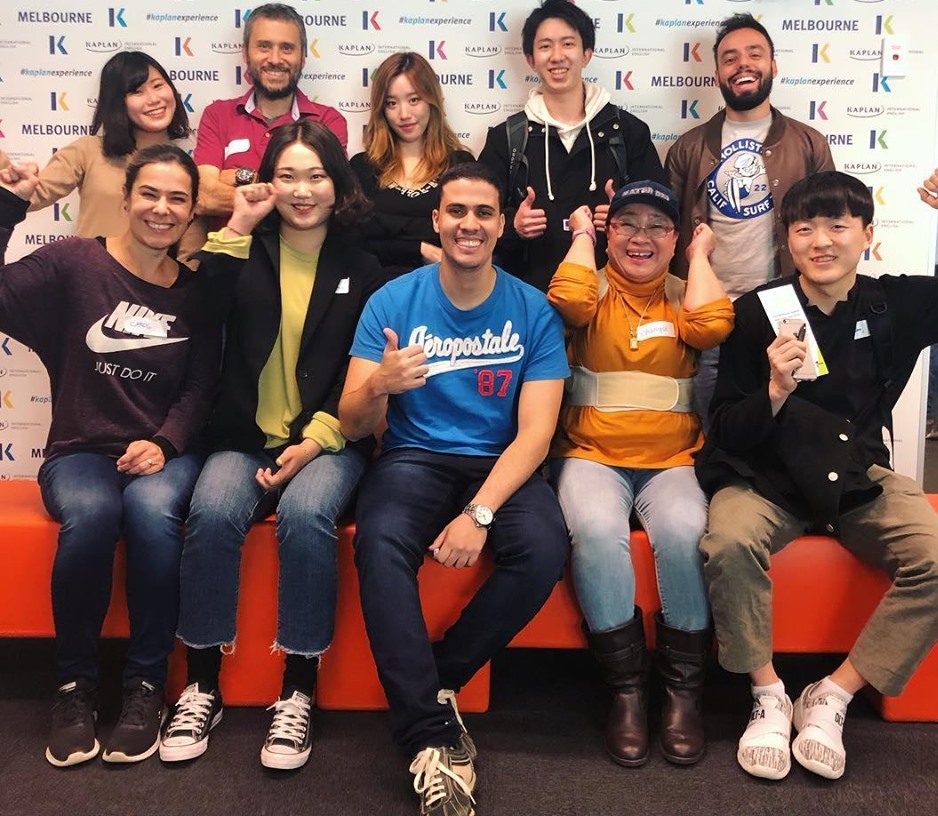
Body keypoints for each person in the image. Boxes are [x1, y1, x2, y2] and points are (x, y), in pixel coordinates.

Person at [697, 169, 938, 782]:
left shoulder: (893, 304)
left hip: (858, 477)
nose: (821, 241)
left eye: (838, 225)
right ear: (787, 240)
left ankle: (832, 695)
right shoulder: (757, 311)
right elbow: (727, 429)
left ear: (867, 233)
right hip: (768, 479)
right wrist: (773, 390)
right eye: (804, 228)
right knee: (728, 541)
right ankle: (768, 694)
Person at [339, 162, 570, 815]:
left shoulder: (532, 310)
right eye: (458, 212)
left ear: (501, 225)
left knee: (544, 548)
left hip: (500, 461)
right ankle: (429, 735)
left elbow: (536, 436)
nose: (470, 224)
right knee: (379, 541)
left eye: (484, 213)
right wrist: (378, 385)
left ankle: (436, 681)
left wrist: (480, 512)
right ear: (437, 220)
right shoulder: (392, 302)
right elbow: (352, 421)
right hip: (413, 457)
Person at [160, 121, 380, 770]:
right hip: (245, 438)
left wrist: (317, 440)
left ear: (339, 185)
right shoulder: (243, 248)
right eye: (287, 176)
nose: (302, 190)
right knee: (210, 511)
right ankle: (201, 685)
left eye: (316, 176)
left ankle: (298, 690)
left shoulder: (362, 267)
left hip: (327, 440)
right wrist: (237, 223)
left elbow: (357, 370)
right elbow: (201, 316)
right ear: (267, 182)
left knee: (307, 515)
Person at [0, 144, 219, 767]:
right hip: (80, 450)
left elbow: (200, 386)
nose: (161, 208)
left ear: (192, 211)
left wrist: (164, 443)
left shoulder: (198, 293)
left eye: (177, 198)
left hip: (164, 452)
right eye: (149, 193)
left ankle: (146, 686)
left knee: (152, 517)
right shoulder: (75, 262)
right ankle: (74, 686)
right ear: (125, 198)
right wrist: (8, 205)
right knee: (93, 516)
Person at [548, 180, 734, 768]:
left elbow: (711, 327)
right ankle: (626, 690)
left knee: (684, 532)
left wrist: (699, 258)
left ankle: (683, 693)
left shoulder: (686, 295)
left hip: (671, 461)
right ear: (610, 232)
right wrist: (582, 235)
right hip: (590, 454)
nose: (641, 237)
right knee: (597, 530)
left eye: (658, 226)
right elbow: (568, 301)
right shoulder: (592, 290)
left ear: (676, 238)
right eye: (627, 222)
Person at [665, 13, 834, 427]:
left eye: (754, 54)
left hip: (789, 310)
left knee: (794, 425)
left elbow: (831, 231)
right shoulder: (688, 148)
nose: (743, 63)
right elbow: (667, 235)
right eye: (730, 58)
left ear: (773, 65)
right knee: (713, 429)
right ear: (717, 75)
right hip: (710, 312)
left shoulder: (809, 144)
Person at [479, 0, 665, 292]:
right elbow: (478, 215)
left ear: (587, 54)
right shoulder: (507, 138)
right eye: (545, 46)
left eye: (568, 44)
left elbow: (662, 215)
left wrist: (626, 217)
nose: (557, 56)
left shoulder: (628, 132)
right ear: (530, 59)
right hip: (529, 297)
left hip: (614, 298)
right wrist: (513, 224)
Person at [16, 51, 204, 258]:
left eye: (158, 86)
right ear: (117, 103)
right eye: (137, 92)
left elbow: (190, 244)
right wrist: (12, 184)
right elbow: (32, 195)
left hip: (153, 277)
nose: (153, 99)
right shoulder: (88, 150)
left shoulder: (183, 166)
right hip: (90, 272)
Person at [192, 3, 348, 223]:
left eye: (287, 48)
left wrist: (238, 177)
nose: (275, 59)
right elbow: (206, 197)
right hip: (229, 245)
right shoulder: (217, 115)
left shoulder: (328, 121)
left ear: (303, 57)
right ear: (245, 53)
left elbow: (326, 199)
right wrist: (288, 191)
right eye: (264, 46)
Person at [351, 51, 473, 280]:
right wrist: (420, 247)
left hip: (447, 289)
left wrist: (383, 225)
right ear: (381, 109)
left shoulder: (460, 166)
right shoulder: (363, 167)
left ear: (432, 100)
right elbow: (355, 239)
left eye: (414, 100)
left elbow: (466, 231)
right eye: (391, 103)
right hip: (378, 291)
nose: (404, 114)